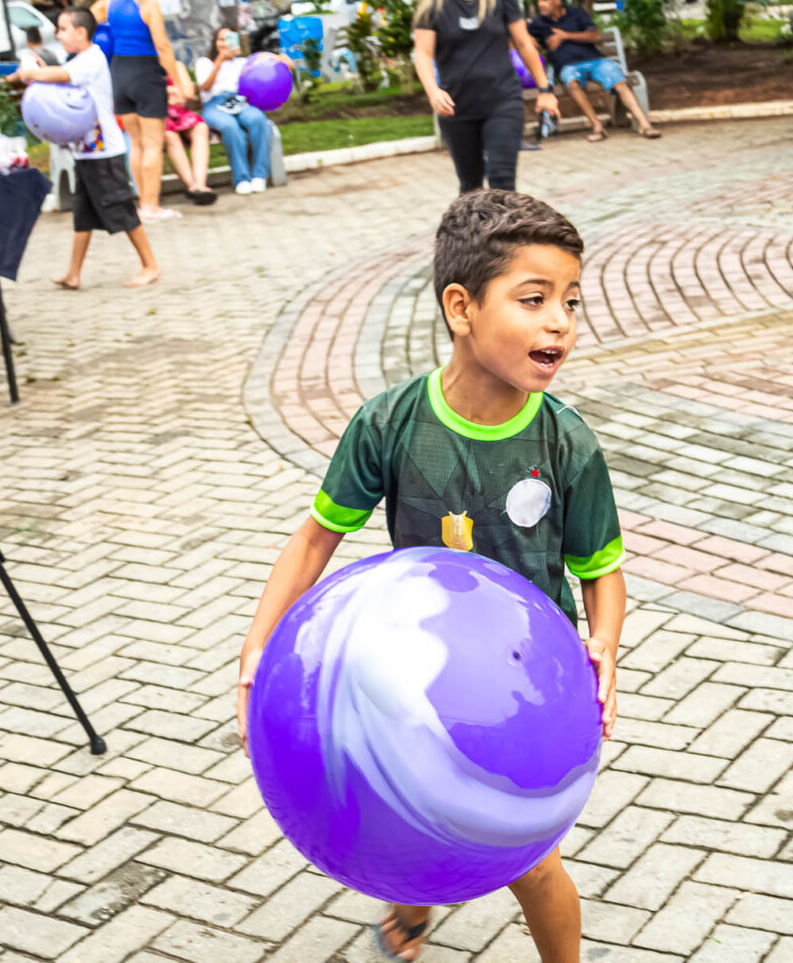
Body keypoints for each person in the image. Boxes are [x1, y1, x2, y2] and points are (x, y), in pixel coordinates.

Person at [235, 189, 624, 963]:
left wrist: (605, 643)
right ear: (461, 307)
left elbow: (601, 570)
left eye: (571, 303)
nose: (560, 323)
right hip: (410, 668)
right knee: (409, 793)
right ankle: (411, 900)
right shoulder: (390, 424)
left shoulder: (566, 442)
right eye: (535, 299)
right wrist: (257, 646)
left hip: (521, 694)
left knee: (530, 860)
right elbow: (315, 540)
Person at [8, 7, 161, 289]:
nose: (58, 35)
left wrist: (31, 73)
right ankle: (74, 273)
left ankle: (150, 265)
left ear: (81, 32)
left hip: (105, 153)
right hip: (86, 152)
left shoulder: (92, 59)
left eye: (63, 29)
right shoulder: (78, 59)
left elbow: (62, 76)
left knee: (121, 208)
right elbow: (59, 74)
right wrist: (37, 70)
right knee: (83, 214)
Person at [412, 0, 558, 193]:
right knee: (470, 187)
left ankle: (504, 236)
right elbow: (423, 53)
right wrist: (432, 91)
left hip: (502, 101)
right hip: (457, 107)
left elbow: (525, 44)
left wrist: (544, 89)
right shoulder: (433, 4)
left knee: (502, 181)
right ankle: (474, 236)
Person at [92, 0, 182, 222]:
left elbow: (85, 21)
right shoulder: (149, 5)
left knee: (136, 143)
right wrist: (176, 82)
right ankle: (150, 206)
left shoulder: (108, 4)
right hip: (146, 75)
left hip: (120, 74)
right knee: (153, 144)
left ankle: (141, 204)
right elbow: (163, 46)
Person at [527, 0, 659, 143]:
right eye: (539, 0)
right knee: (572, 82)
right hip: (568, 67)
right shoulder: (538, 24)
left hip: (596, 61)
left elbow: (594, 35)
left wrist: (565, 36)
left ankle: (644, 124)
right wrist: (533, 42)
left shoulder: (576, 14)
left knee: (619, 82)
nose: (541, 4)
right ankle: (597, 126)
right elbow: (523, 41)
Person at [196, 28, 287, 196]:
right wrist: (220, 61)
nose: (224, 43)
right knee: (231, 128)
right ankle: (242, 178)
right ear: (215, 42)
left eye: (228, 39)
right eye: (221, 39)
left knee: (259, 120)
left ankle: (259, 174)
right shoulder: (205, 62)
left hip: (239, 102)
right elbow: (206, 87)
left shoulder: (242, 62)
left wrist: (280, 60)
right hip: (214, 105)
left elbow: (263, 62)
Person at [164, 70, 216, 205]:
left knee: (201, 128)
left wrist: (168, 92)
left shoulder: (176, 66)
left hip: (180, 113)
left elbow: (187, 94)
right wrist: (173, 91)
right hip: (159, 115)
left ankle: (200, 182)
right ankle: (192, 185)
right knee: (170, 136)